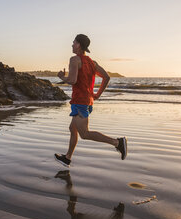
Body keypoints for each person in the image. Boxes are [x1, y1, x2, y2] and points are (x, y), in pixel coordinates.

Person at [54, 34, 127, 167]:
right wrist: (97, 94)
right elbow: (106, 77)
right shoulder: (93, 63)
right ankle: (67, 157)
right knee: (72, 128)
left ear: (79, 45)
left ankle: (117, 143)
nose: (71, 44)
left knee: (85, 134)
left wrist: (61, 77)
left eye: (73, 42)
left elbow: (72, 80)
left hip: (80, 102)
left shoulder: (74, 60)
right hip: (86, 101)